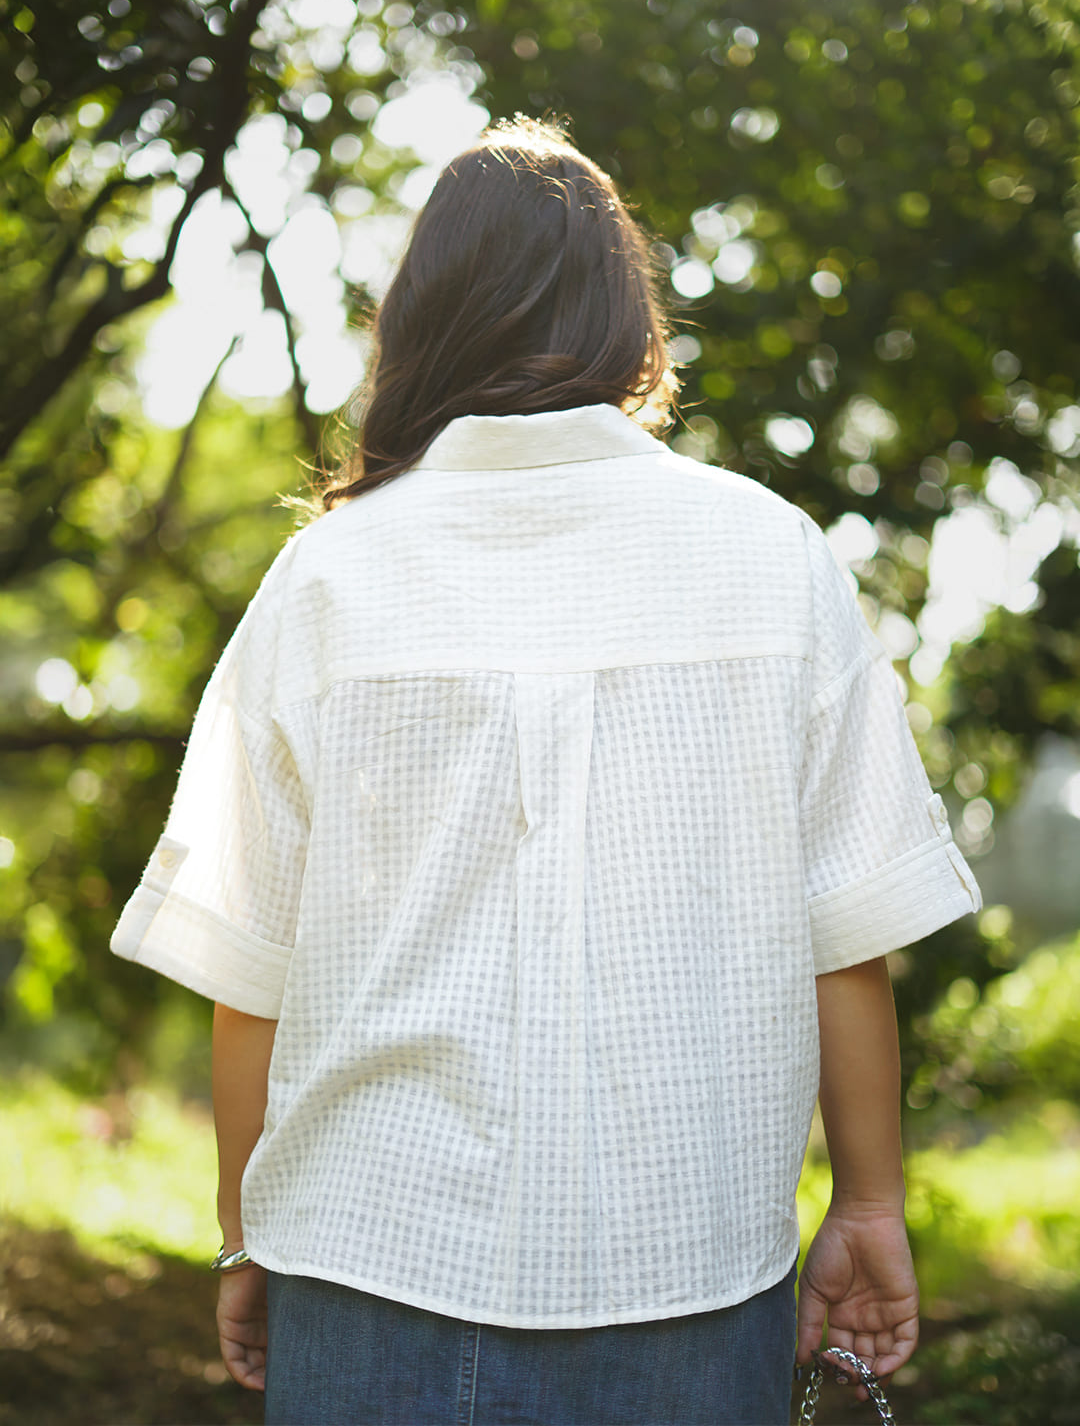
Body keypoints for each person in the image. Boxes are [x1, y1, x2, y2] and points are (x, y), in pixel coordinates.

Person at [110, 115, 982, 1426]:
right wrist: (867, 1206)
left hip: (363, 1270)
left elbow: (252, 975)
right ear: (632, 325)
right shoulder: (772, 553)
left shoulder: (328, 579)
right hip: (691, 1280)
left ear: (423, 325)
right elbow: (845, 939)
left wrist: (247, 1239)